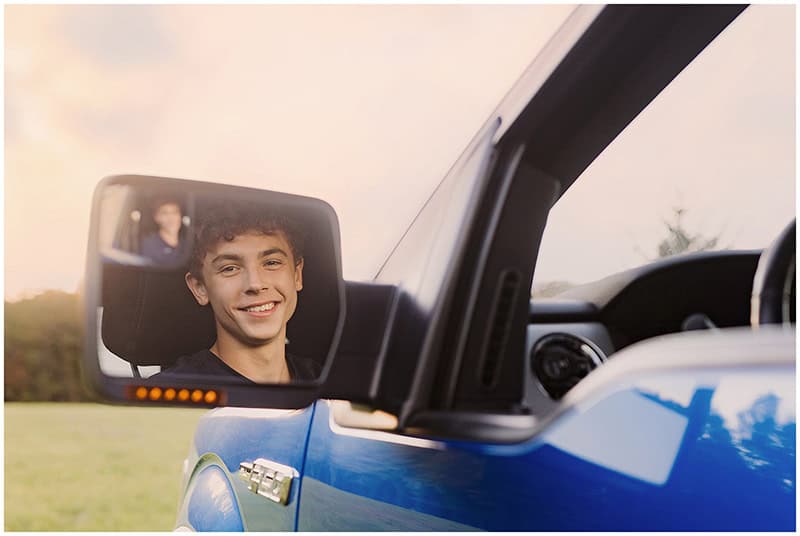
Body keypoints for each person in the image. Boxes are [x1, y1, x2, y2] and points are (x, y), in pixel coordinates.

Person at [156, 203, 320, 383]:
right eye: (230, 268)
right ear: (200, 288)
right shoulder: (171, 395)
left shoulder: (328, 386)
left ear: (297, 275)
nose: (255, 284)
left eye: (272, 263)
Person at [141, 198, 187, 266]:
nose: (171, 218)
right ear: (156, 217)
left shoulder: (188, 243)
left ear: (180, 216)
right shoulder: (149, 244)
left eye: (175, 212)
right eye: (165, 213)